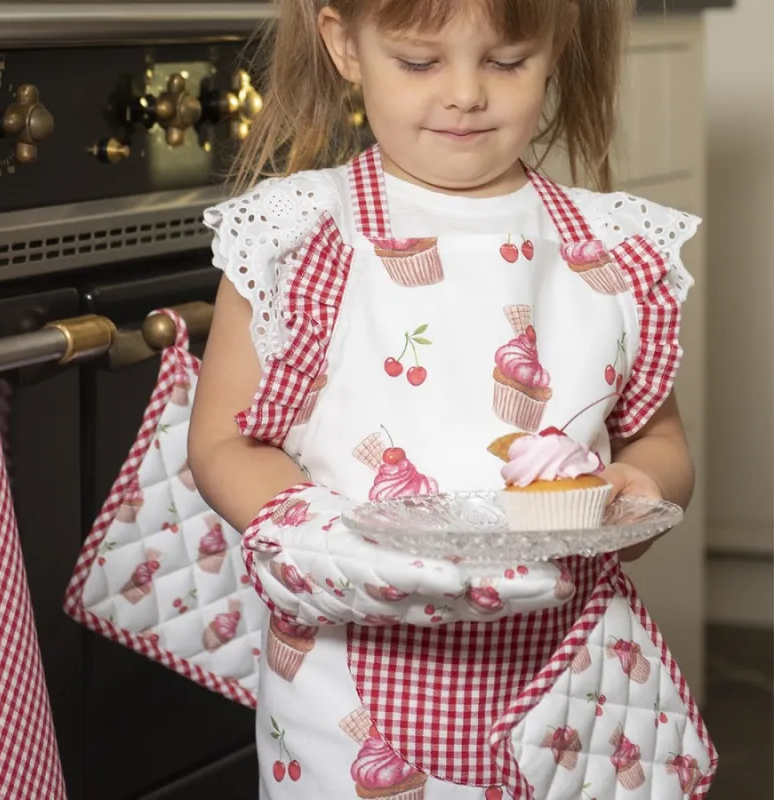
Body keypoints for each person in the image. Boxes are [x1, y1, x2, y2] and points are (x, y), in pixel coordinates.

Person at [189, 0, 717, 797]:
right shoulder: (305, 238)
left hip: (566, 685)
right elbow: (227, 444)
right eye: (419, 61)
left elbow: (659, 442)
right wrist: (337, 545)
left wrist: (637, 488)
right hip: (348, 695)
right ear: (345, 45)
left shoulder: (612, 251)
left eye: (505, 61)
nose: (467, 93)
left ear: (553, 49)